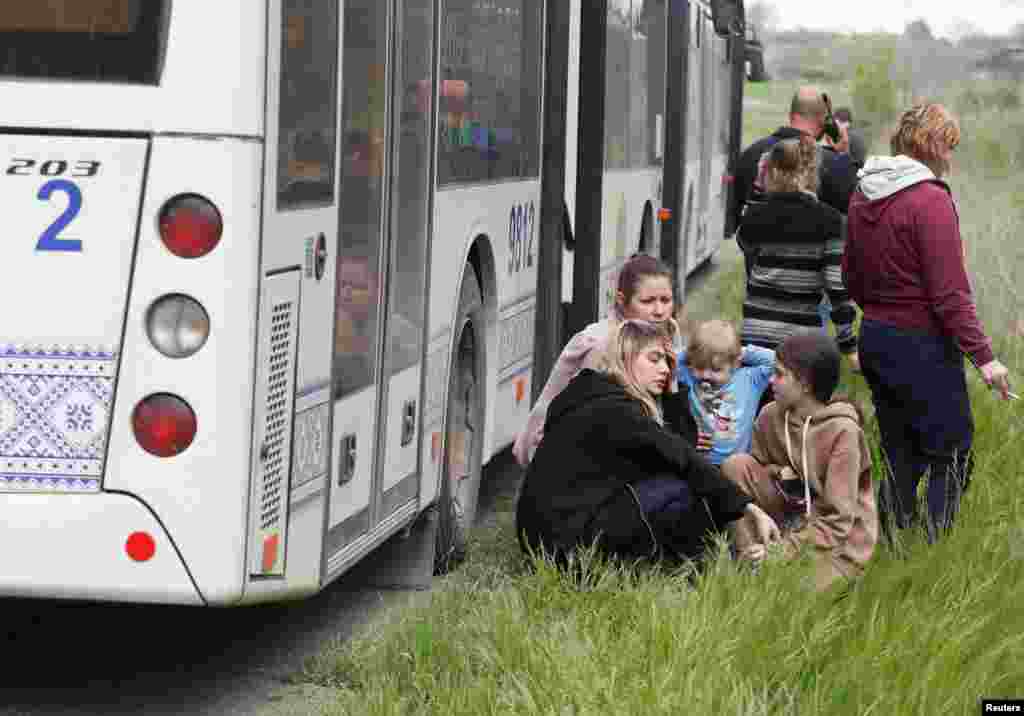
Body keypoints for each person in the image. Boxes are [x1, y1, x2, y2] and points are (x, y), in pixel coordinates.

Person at [843, 102, 1012, 542]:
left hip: (876, 338)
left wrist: (879, 312)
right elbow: (949, 294)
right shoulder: (930, 200)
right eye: (948, 147)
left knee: (899, 449)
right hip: (921, 343)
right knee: (953, 450)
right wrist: (986, 359)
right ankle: (935, 543)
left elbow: (851, 276)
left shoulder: (865, 192)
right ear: (933, 145)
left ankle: (897, 542)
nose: (950, 160)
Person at [515, 320, 779, 566]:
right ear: (625, 357)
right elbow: (683, 457)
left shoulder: (589, 393)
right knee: (684, 487)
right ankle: (692, 566)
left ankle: (677, 560)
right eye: (654, 359)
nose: (665, 368)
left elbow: (680, 445)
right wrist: (748, 507)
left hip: (543, 539)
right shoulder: (615, 412)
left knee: (678, 477)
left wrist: (674, 388)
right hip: (568, 547)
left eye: (667, 361)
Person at [721, 332, 877, 590]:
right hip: (790, 514)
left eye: (780, 374)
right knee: (735, 466)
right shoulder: (770, 415)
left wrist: (783, 551)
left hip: (837, 537)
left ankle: (773, 563)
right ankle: (749, 565)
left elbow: (838, 520)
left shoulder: (843, 432)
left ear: (805, 384)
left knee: (797, 591)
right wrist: (779, 472)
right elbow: (757, 469)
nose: (771, 380)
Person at [513, 254, 689, 467]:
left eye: (665, 300)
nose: (659, 311)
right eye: (647, 301)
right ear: (622, 300)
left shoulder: (668, 331)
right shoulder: (600, 344)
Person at [738, 137, 859, 372]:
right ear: (813, 171)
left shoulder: (756, 215)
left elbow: (745, 243)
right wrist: (848, 345)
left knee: (759, 404)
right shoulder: (831, 222)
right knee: (802, 407)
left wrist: (757, 193)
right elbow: (837, 288)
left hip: (755, 336)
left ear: (770, 172)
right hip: (800, 344)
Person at [729, 86, 858, 234]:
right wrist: (844, 155)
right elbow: (854, 212)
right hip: (820, 255)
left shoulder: (750, 155)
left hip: (762, 256)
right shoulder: (836, 164)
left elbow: (738, 220)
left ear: (791, 115)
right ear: (825, 121)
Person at [677, 320, 776, 466]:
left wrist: (738, 351)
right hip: (699, 463)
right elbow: (673, 360)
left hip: (737, 465)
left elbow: (775, 360)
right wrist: (695, 351)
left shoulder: (750, 379)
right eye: (699, 367)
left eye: (716, 369)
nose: (705, 375)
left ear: (735, 363)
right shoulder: (689, 377)